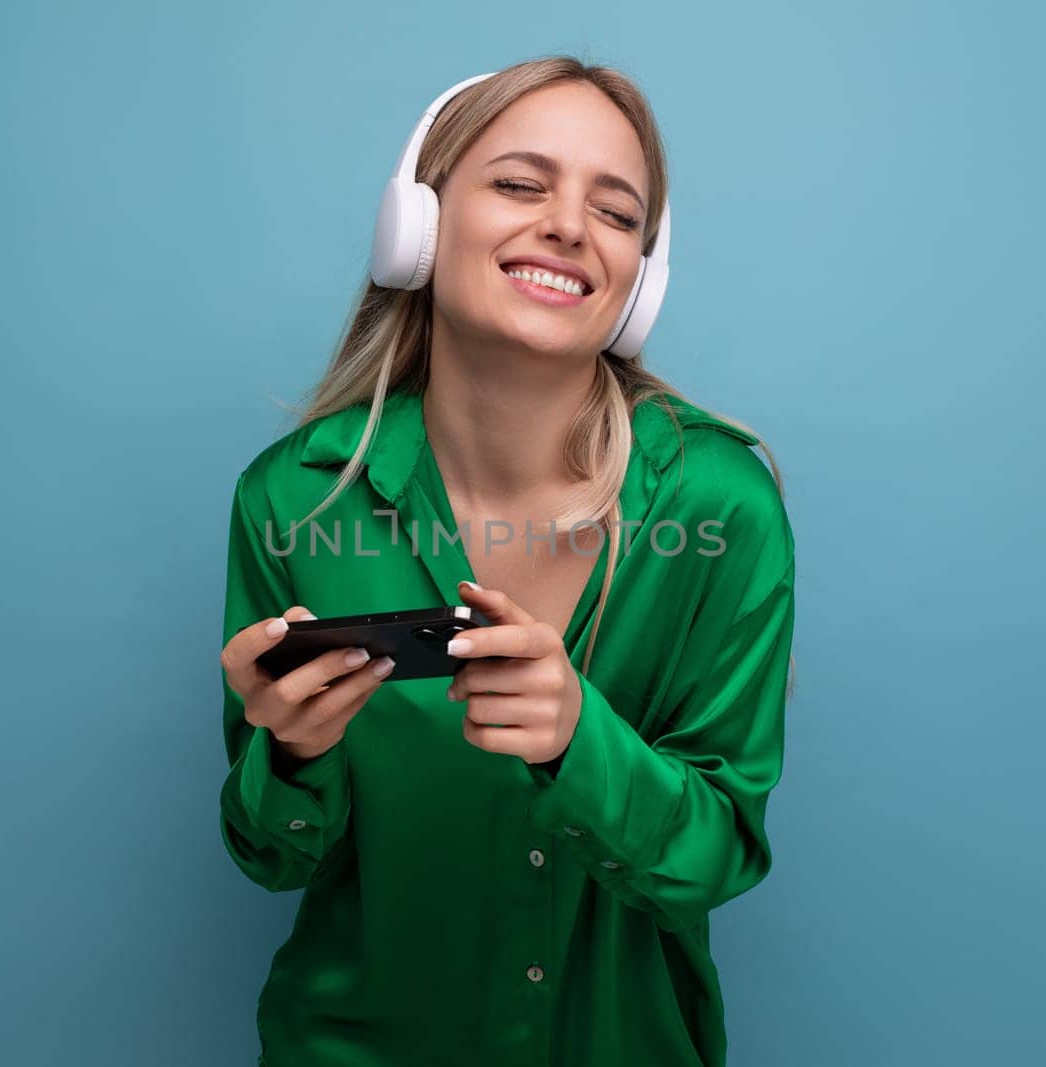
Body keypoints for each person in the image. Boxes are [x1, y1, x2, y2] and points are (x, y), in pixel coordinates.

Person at [217, 54, 797, 1067]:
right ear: (418, 227)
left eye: (615, 212)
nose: (569, 225)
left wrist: (580, 738)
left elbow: (716, 853)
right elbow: (269, 854)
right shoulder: (294, 502)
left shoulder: (721, 507)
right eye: (522, 185)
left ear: (639, 278)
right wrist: (293, 755)